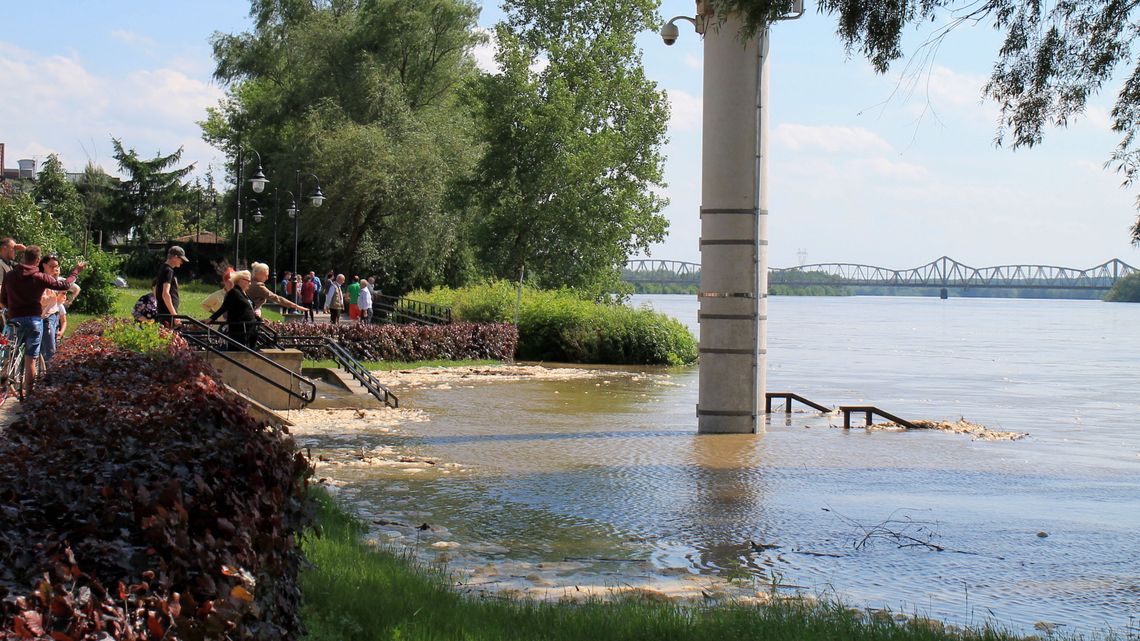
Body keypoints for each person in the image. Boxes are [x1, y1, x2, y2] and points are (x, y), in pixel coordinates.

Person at [0, 246, 85, 396]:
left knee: (10, 351)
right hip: (33, 320)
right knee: (31, 359)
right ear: (38, 261)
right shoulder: (39, 277)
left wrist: (12, 308)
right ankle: (30, 394)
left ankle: (5, 375)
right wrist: (76, 271)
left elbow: (3, 300)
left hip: (14, 319)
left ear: (23, 258)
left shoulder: (10, 275)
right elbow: (64, 285)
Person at [38, 255, 80, 364]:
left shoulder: (55, 280)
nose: (55, 269)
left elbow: (73, 287)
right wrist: (55, 298)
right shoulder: (42, 279)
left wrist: (67, 302)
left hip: (54, 316)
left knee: (51, 348)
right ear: (44, 265)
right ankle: (47, 376)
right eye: (52, 266)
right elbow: (42, 300)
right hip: (45, 317)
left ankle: (46, 374)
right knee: (49, 351)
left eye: (57, 266)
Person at [208, 270, 259, 349]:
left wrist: (260, 319)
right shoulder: (234, 292)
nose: (250, 283)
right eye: (248, 281)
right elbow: (224, 308)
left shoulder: (244, 293)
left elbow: (250, 310)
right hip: (240, 331)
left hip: (250, 330)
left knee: (251, 355)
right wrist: (211, 318)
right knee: (240, 353)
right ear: (240, 280)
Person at [155, 246, 189, 326]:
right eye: (181, 259)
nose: (182, 262)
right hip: (168, 315)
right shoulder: (168, 271)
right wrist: (174, 315)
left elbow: (156, 289)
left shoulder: (163, 268)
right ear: (175, 257)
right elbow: (165, 294)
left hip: (164, 312)